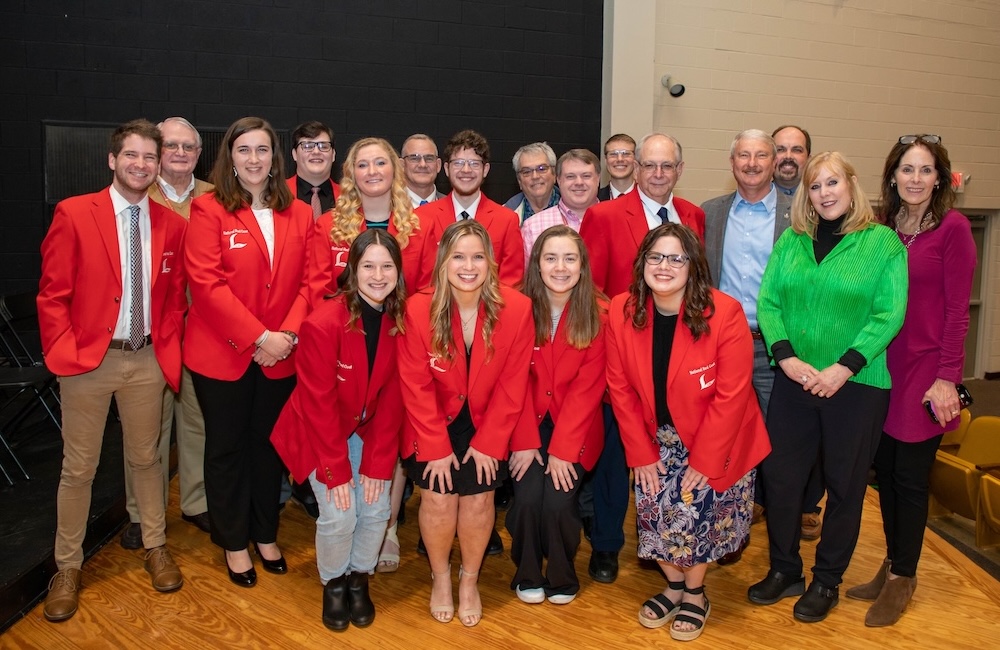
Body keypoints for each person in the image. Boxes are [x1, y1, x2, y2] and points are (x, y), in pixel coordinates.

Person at [38, 119, 187, 622]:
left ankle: (154, 545)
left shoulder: (172, 225)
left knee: (146, 460)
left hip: (145, 360)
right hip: (87, 362)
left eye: (150, 157)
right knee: (78, 468)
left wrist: (167, 345)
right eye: (132, 155)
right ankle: (67, 567)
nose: (141, 165)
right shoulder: (76, 212)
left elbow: (171, 299)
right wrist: (63, 351)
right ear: (112, 159)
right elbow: (52, 293)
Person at [750, 152, 908, 623]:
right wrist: (787, 357)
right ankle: (785, 570)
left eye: (833, 182)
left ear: (852, 185)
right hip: (796, 379)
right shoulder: (792, 242)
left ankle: (826, 581)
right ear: (807, 194)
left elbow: (889, 312)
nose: (825, 193)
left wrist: (845, 366)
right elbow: (769, 301)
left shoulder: (882, 244)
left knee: (844, 486)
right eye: (816, 186)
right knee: (780, 479)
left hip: (857, 385)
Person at [606, 222, 770, 641]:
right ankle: (673, 585)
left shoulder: (724, 312)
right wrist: (640, 453)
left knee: (695, 512)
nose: (664, 266)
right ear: (642, 263)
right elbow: (620, 388)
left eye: (676, 258)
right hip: (654, 437)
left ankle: (694, 592)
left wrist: (705, 460)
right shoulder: (623, 311)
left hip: (718, 437)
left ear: (693, 266)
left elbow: (732, 396)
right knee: (653, 515)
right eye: (655, 257)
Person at [845, 134, 976, 626]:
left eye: (924, 170)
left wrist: (948, 378)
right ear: (893, 176)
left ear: (939, 178)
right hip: (881, 365)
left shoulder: (954, 229)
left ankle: (905, 577)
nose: (915, 179)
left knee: (910, 478)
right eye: (907, 169)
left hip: (926, 370)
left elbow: (958, 312)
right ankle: (891, 564)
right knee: (885, 473)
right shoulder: (880, 227)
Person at [184, 116, 313, 588]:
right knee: (227, 449)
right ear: (230, 158)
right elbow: (206, 285)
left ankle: (265, 534)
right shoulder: (209, 209)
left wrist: (287, 336)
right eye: (244, 150)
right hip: (224, 354)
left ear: (275, 159)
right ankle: (234, 543)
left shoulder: (298, 212)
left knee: (267, 449)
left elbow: (310, 283)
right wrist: (261, 337)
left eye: (262, 150)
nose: (254, 159)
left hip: (282, 353)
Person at [578, 132, 705, 584]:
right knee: (616, 456)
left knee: (669, 455)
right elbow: (587, 288)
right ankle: (608, 545)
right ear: (634, 167)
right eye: (648, 165)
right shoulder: (604, 215)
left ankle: (670, 542)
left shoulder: (693, 216)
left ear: (679, 169)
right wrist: (618, 327)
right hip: (623, 355)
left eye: (666, 166)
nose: (657, 174)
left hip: (678, 356)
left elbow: (698, 286)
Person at [399, 220, 534, 627]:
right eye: (458, 256)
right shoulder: (418, 307)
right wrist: (436, 447)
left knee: (479, 499)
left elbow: (514, 384)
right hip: (432, 421)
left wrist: (491, 443)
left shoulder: (517, 308)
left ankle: (469, 580)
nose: (468, 266)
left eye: (478, 256)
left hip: (489, 420)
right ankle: (441, 577)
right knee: (437, 498)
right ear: (443, 263)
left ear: (491, 263)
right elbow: (415, 384)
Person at [271, 229, 406, 631]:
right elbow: (318, 404)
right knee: (340, 512)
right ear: (352, 270)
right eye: (368, 266)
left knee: (377, 506)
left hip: (367, 430)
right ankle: (333, 583)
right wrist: (336, 470)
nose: (378, 276)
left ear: (399, 272)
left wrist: (378, 465)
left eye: (387, 267)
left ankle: (358, 579)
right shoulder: (323, 322)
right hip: (319, 431)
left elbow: (395, 398)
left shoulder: (400, 322)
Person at [701, 129, 804, 563]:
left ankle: (781, 547)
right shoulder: (710, 213)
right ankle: (727, 533)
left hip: (774, 348)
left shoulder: (798, 214)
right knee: (724, 441)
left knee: (775, 446)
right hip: (720, 346)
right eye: (744, 155)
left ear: (773, 160)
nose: (753, 163)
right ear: (732, 162)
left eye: (762, 155)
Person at [506, 226, 607, 606]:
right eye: (550, 258)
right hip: (524, 423)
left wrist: (564, 451)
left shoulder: (600, 314)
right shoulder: (514, 308)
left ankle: (562, 572)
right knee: (529, 497)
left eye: (570, 258)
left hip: (574, 427)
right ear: (537, 264)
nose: (560, 267)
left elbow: (588, 390)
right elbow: (510, 382)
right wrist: (523, 442)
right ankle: (527, 570)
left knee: (560, 501)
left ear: (582, 266)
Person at [131, 117, 214, 540]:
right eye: (171, 146)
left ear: (199, 154)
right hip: (151, 330)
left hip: (203, 329)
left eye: (188, 147)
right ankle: (143, 513)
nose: (180, 153)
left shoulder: (216, 198)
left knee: (198, 420)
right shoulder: (137, 197)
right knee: (150, 425)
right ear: (157, 152)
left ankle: (196, 502)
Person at [307, 137, 438, 307]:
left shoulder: (422, 227)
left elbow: (426, 293)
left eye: (380, 163)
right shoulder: (328, 226)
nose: (372, 171)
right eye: (362, 165)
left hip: (402, 329)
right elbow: (320, 293)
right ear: (352, 174)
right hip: (344, 329)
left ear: (395, 170)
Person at [419, 129, 525, 289]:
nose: (466, 170)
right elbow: (420, 280)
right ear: (447, 169)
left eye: (474, 163)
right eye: (459, 163)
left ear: (486, 169)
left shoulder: (507, 220)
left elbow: (511, 282)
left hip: (489, 312)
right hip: (436, 310)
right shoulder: (423, 217)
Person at [520, 149, 601, 261]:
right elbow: (528, 277)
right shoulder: (532, 226)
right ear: (558, 180)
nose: (579, 182)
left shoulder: (616, 220)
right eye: (570, 177)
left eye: (586, 176)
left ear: (598, 179)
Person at [287, 120, 341, 218]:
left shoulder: (349, 198)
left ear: (333, 155)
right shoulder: (277, 194)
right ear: (294, 154)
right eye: (307, 146)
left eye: (324, 146)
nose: (316, 152)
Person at [504, 142, 560, 224]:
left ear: (554, 174)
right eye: (526, 171)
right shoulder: (504, 215)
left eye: (541, 169)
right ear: (519, 181)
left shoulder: (575, 211)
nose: (535, 176)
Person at [401, 133, 445, 206]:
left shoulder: (453, 208)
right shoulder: (386, 207)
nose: (423, 165)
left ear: (438, 165)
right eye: (414, 158)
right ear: (402, 165)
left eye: (429, 158)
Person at [771, 125, 811, 196]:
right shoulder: (755, 197)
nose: (788, 156)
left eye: (796, 150)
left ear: (809, 159)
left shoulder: (821, 198)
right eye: (780, 150)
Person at [597, 133, 636, 201]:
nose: (620, 159)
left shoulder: (648, 198)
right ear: (606, 160)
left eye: (626, 154)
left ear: (636, 159)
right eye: (613, 154)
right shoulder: (595, 199)